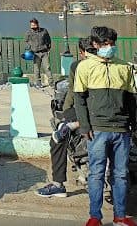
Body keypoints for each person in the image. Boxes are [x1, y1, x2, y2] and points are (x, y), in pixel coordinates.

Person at [74, 26, 137, 226]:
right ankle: (95, 217)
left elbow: (132, 100)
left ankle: (120, 216)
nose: (109, 46)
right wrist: (85, 126)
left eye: (111, 43)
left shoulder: (124, 67)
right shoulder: (85, 67)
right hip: (97, 130)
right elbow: (79, 99)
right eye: (104, 43)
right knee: (96, 174)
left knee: (121, 174)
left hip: (121, 129)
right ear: (95, 44)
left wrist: (133, 126)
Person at [36, 38, 95, 198]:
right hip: (106, 115)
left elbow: (74, 94)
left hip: (88, 114)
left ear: (81, 53)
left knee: (57, 139)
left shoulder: (78, 66)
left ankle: (58, 184)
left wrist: (67, 114)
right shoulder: (115, 66)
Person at [25, 18, 53, 88]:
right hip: (35, 53)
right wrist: (29, 48)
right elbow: (26, 41)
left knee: (47, 68)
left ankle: (51, 82)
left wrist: (48, 48)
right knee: (36, 69)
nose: (32, 26)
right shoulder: (29, 33)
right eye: (31, 25)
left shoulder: (44, 31)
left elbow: (48, 40)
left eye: (34, 25)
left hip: (44, 52)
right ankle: (38, 83)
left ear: (37, 24)